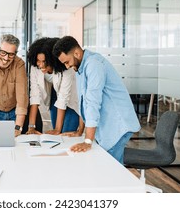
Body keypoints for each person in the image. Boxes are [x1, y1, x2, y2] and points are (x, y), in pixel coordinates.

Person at [52, 36, 140, 164]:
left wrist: (88, 141)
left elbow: (93, 102)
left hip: (117, 125)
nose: (67, 66)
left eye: (67, 62)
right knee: (102, 167)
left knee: (109, 170)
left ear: (76, 53)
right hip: (107, 126)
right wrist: (80, 131)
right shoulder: (81, 68)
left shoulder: (94, 64)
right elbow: (84, 102)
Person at [26, 37, 84, 136]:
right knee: (56, 133)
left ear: (53, 60)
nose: (41, 65)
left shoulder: (66, 68)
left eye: (45, 61)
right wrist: (31, 127)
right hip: (54, 93)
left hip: (71, 97)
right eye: (38, 61)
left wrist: (58, 129)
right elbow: (35, 95)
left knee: (65, 132)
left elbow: (63, 97)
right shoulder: (35, 66)